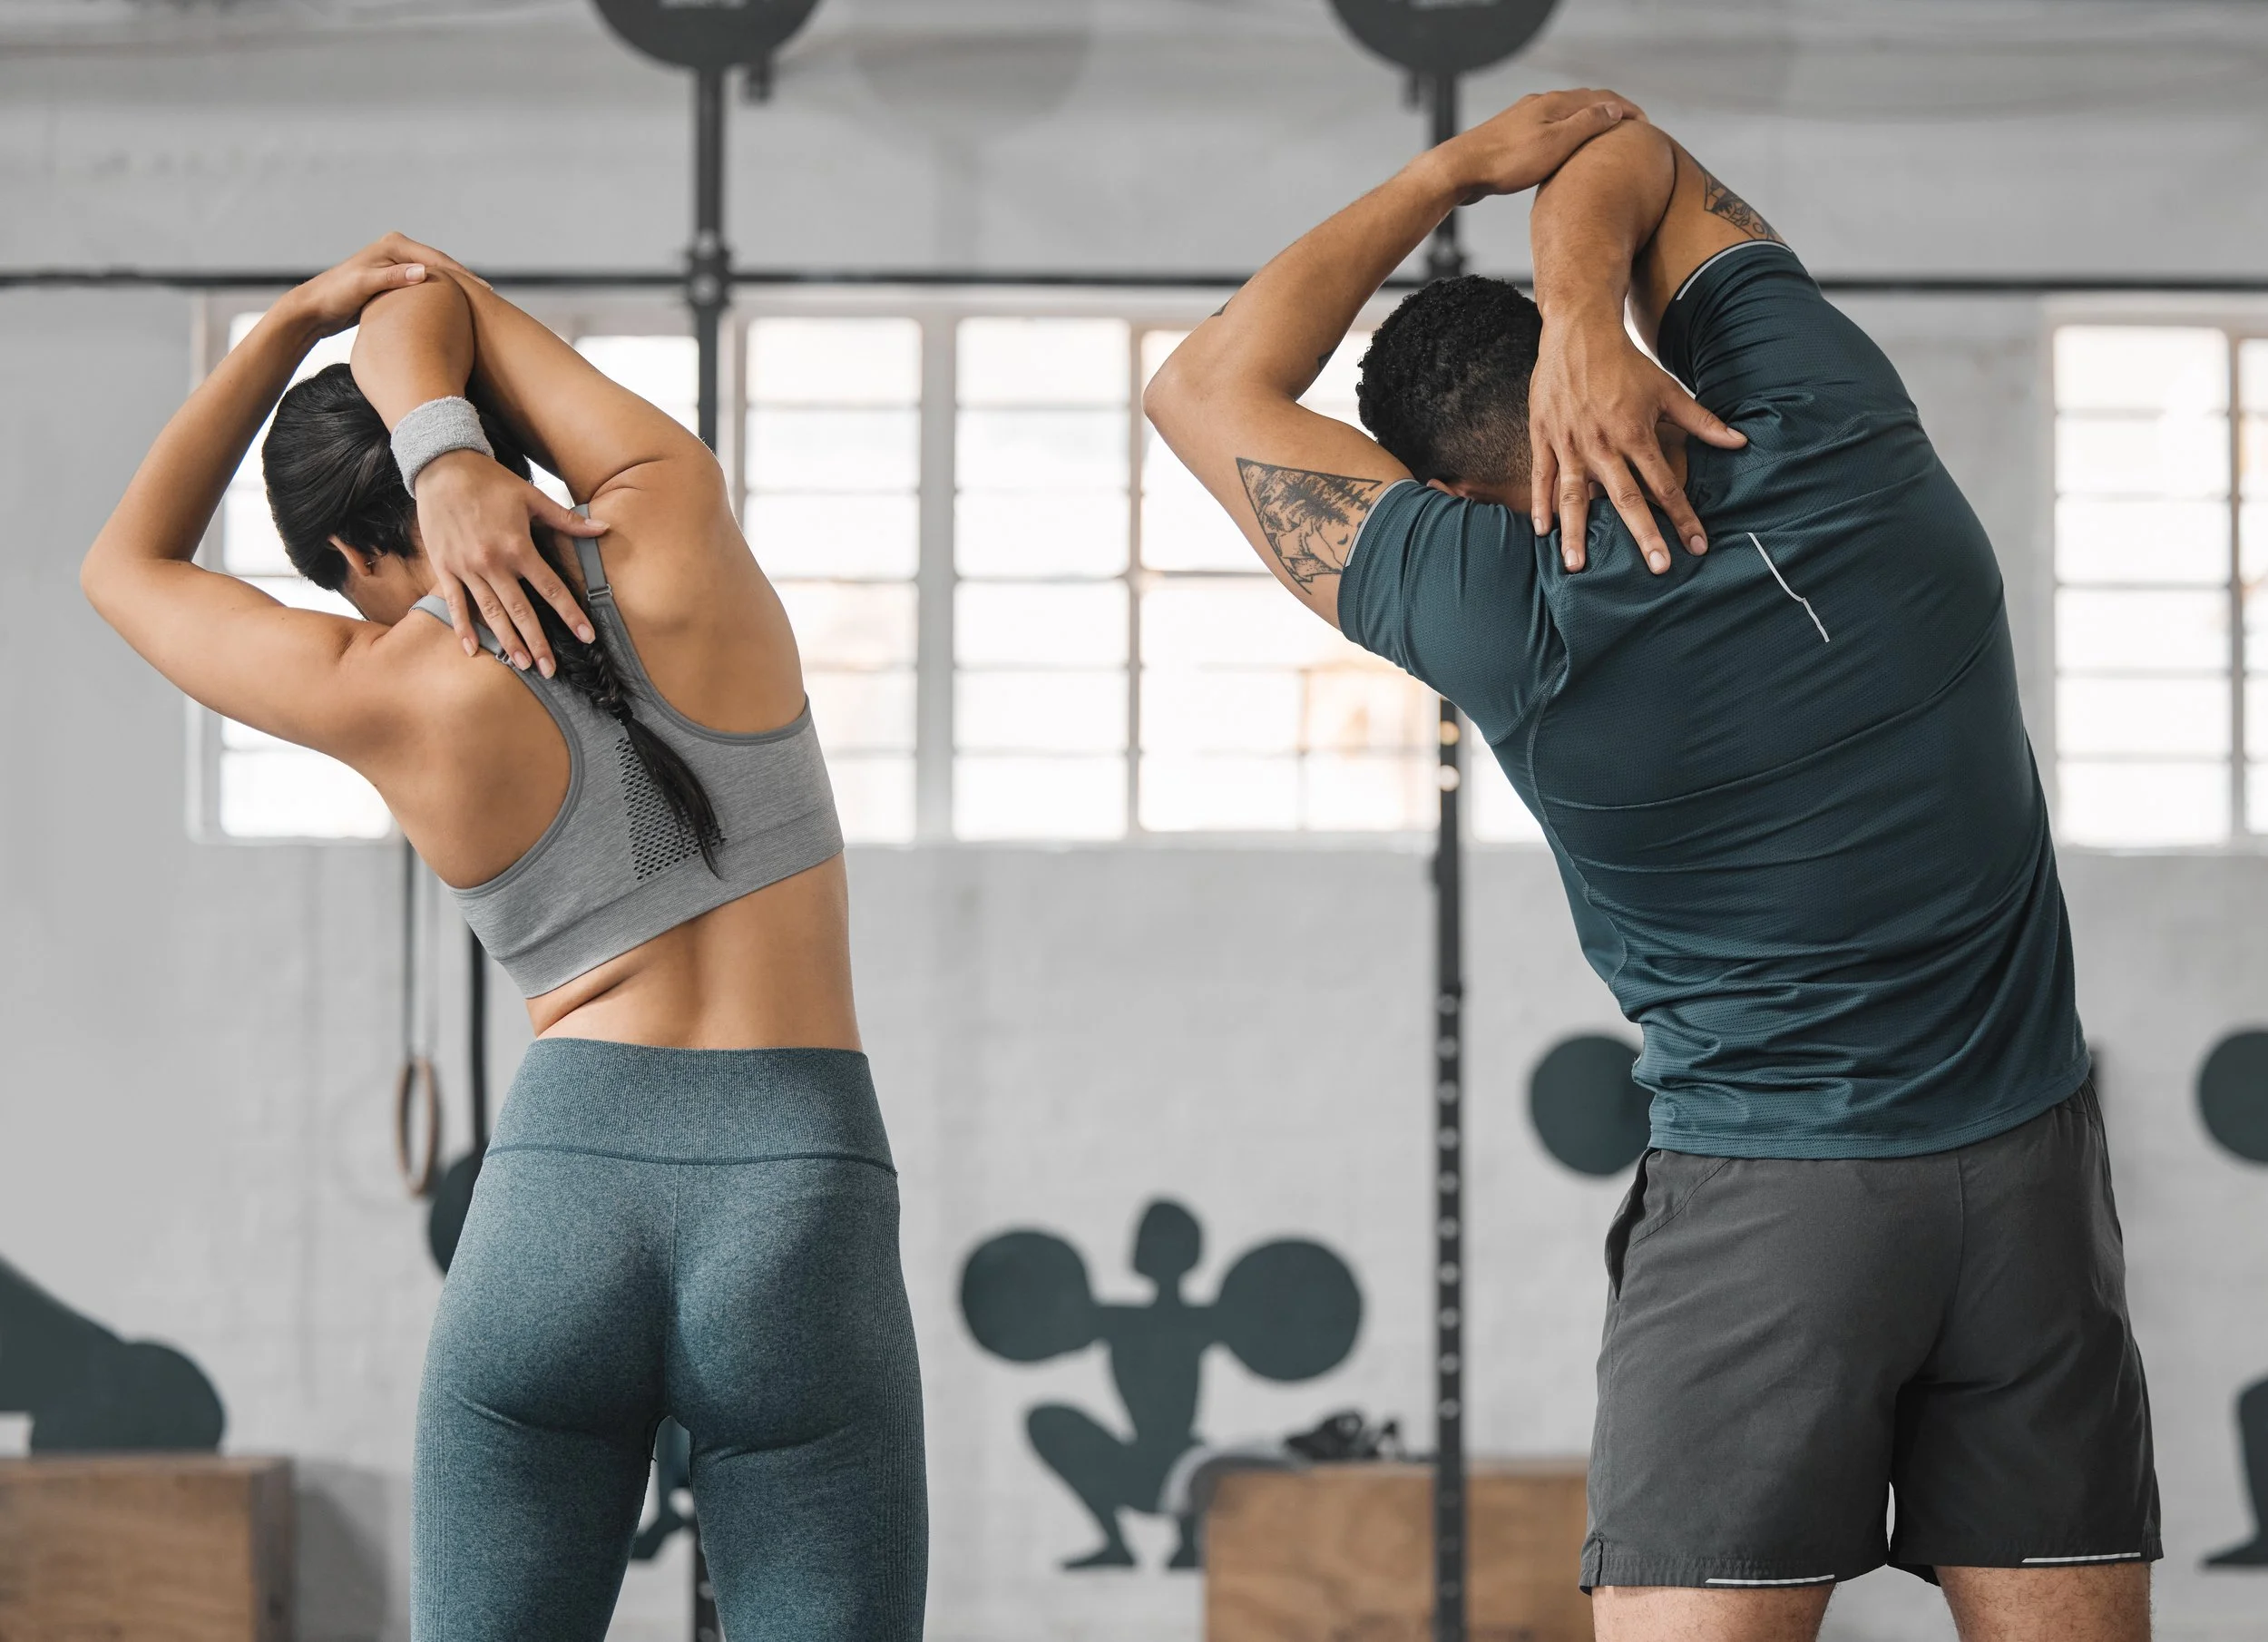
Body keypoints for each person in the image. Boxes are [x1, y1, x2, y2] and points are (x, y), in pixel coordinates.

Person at [1145, 91, 2156, 1642]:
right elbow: (1634, 148)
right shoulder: (1840, 424)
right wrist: (1585, 309)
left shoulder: (1502, 606)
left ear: (1459, 494)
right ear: (1601, 378)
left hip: (1772, 1208)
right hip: (2032, 1183)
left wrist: (1449, 171)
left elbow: (1204, 385)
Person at [81, 238, 925, 1641]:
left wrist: (292, 322)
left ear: (353, 553)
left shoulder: (372, 682)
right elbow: (435, 289)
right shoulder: (673, 517)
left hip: (555, 1214)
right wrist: (449, 443)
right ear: (513, 435)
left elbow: (124, 565)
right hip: (801, 1187)